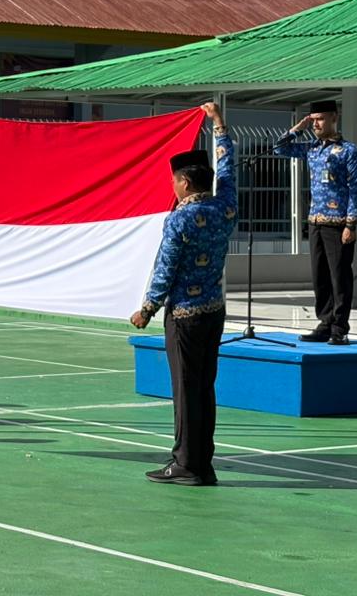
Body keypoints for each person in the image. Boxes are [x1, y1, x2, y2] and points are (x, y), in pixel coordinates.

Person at [131, 102, 236, 487]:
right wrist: (220, 127)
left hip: (186, 315)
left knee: (185, 390)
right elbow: (228, 172)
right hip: (214, 310)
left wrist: (147, 307)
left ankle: (187, 463)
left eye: (174, 181)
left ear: (185, 184)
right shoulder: (225, 207)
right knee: (204, 387)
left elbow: (166, 267)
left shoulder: (179, 219)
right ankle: (201, 460)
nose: (172, 186)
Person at [273, 99, 357, 345]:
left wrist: (351, 225)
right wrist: (298, 128)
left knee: (339, 277)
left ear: (334, 117)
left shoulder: (349, 151)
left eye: (320, 119)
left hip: (339, 223)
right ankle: (325, 322)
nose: (316, 124)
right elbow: (279, 148)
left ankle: (339, 327)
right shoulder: (312, 148)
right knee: (320, 276)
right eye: (313, 120)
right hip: (315, 221)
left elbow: (356, 189)